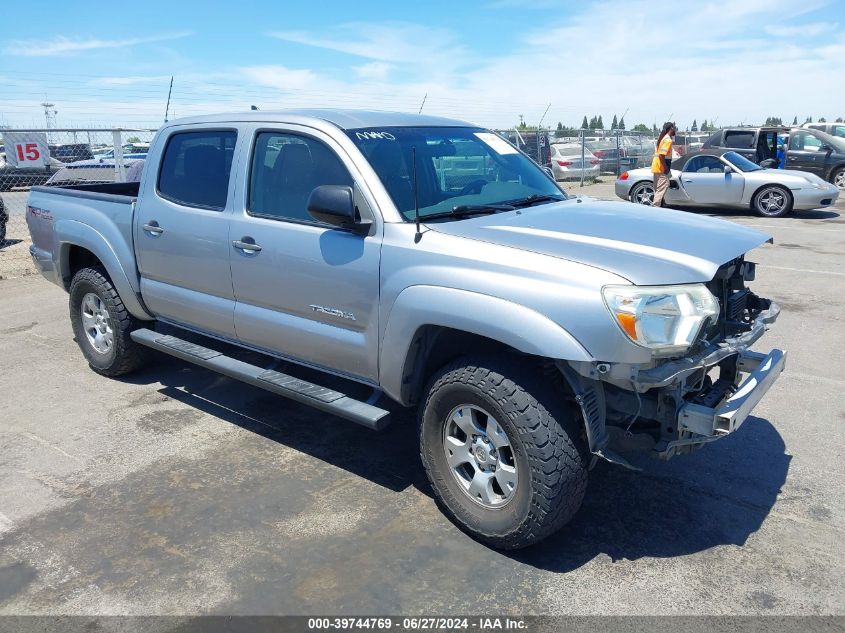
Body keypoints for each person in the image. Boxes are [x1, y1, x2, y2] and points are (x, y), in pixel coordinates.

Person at [651, 122, 676, 207]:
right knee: (662, 187)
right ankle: (656, 208)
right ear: (671, 128)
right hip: (661, 167)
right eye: (674, 128)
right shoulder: (668, 140)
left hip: (656, 166)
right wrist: (666, 169)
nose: (675, 130)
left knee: (658, 189)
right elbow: (662, 155)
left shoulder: (662, 138)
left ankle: (661, 205)